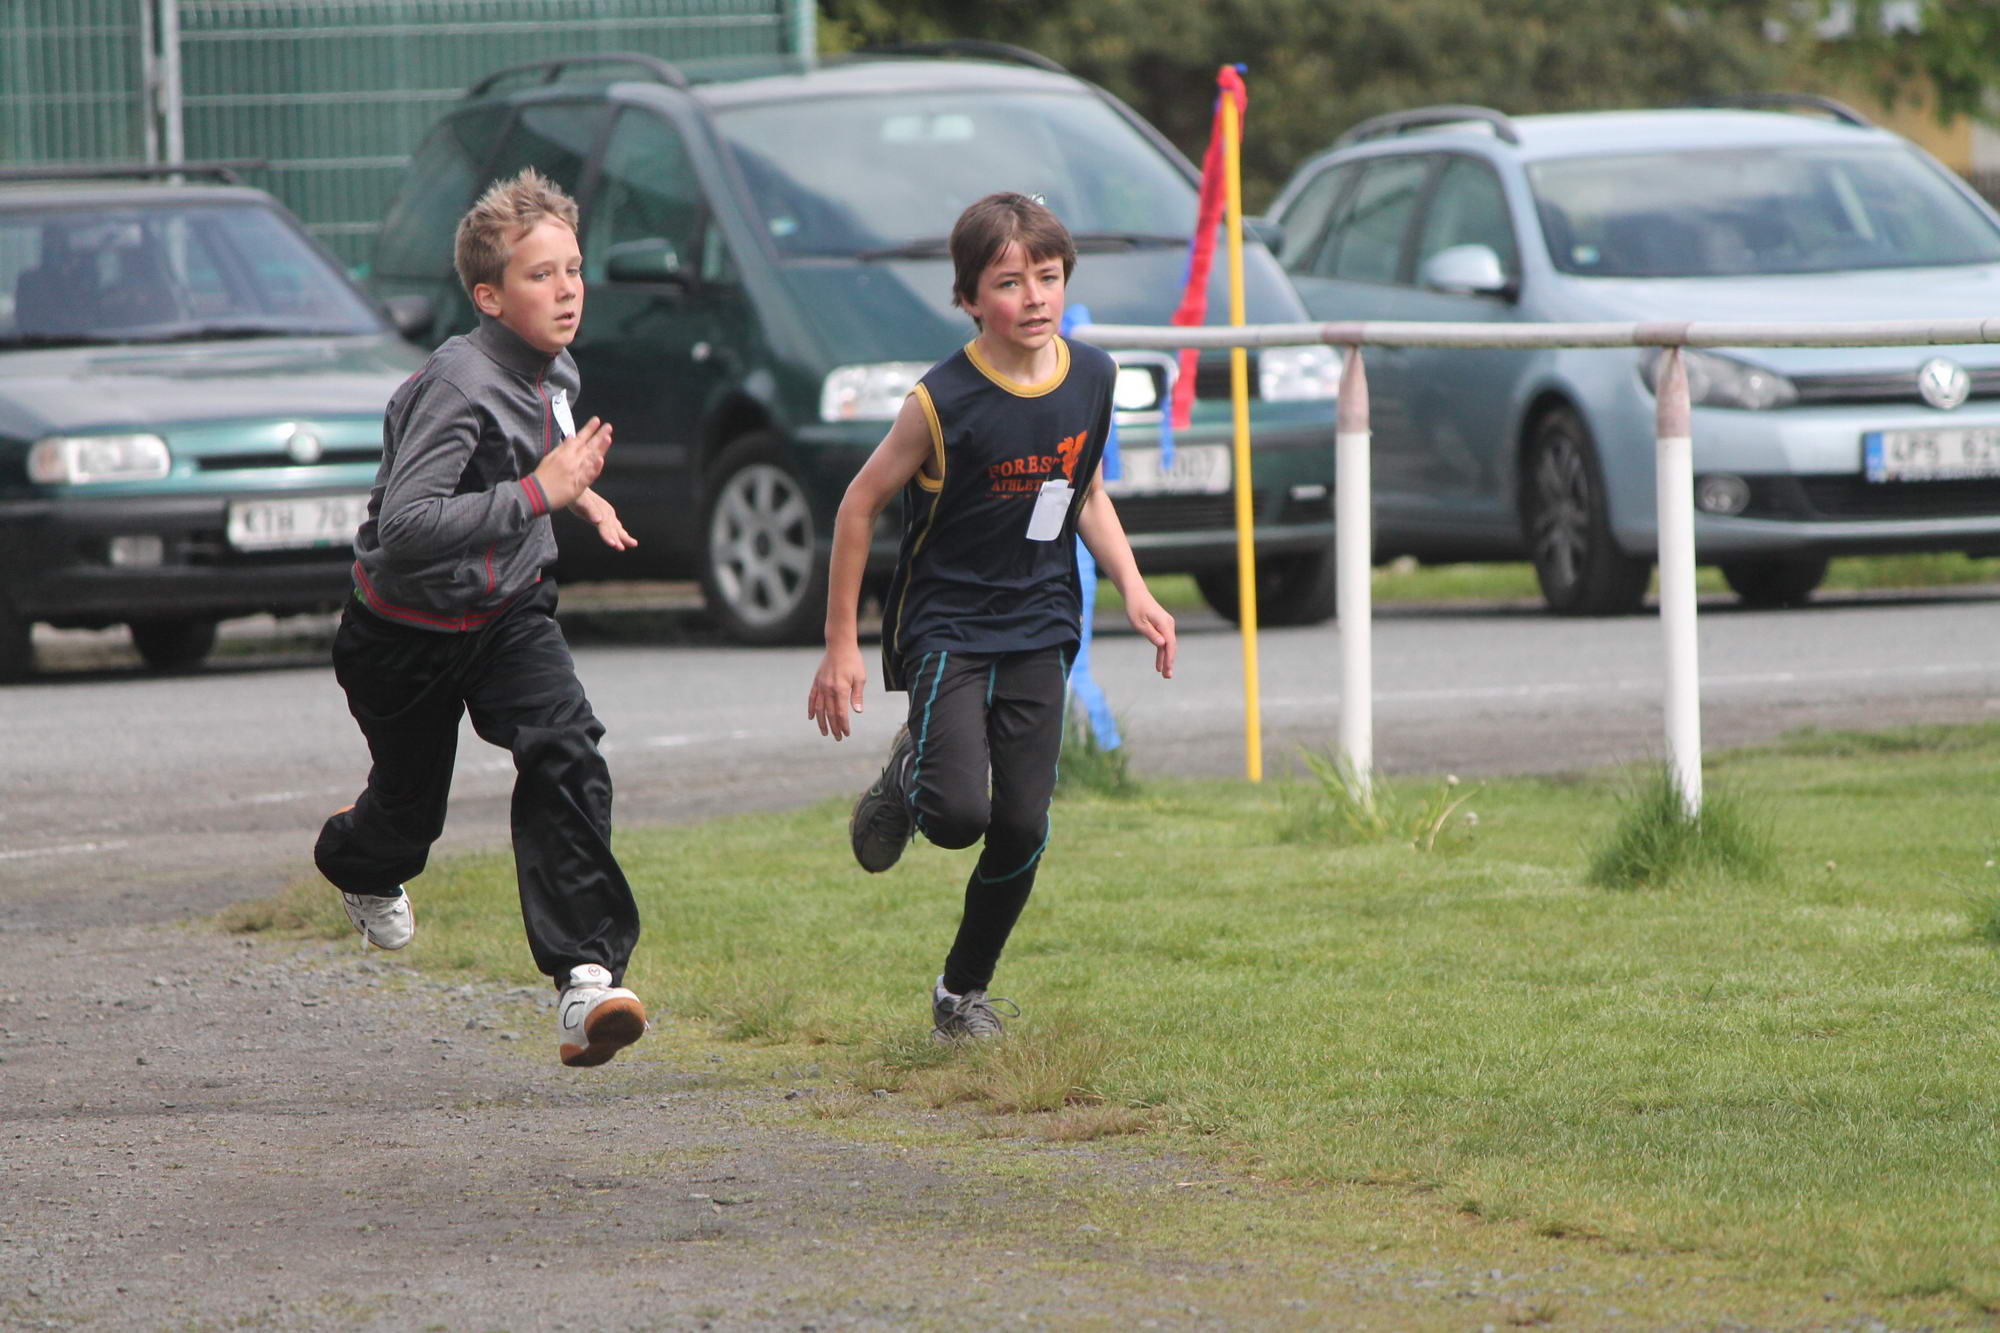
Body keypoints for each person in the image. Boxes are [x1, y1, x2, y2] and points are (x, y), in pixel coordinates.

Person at [806, 191, 1177, 1043]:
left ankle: (960, 992)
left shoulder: (1093, 377)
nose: (1035, 298)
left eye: (1048, 277)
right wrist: (840, 645)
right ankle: (910, 773)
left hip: (1042, 620)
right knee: (956, 816)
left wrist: (1134, 587)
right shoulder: (940, 401)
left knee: (1020, 824)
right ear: (970, 298)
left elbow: (1085, 492)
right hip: (948, 624)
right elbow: (858, 505)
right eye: (1010, 283)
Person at [313, 167, 648, 1068]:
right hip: (403, 634)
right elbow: (406, 528)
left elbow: (545, 439)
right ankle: (359, 859)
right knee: (406, 816)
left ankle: (586, 979)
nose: (567, 290)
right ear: (489, 296)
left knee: (566, 747)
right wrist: (541, 492)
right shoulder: (458, 385)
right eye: (542, 275)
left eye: (574, 269)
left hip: (509, 612)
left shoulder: (554, 360)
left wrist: (580, 496)